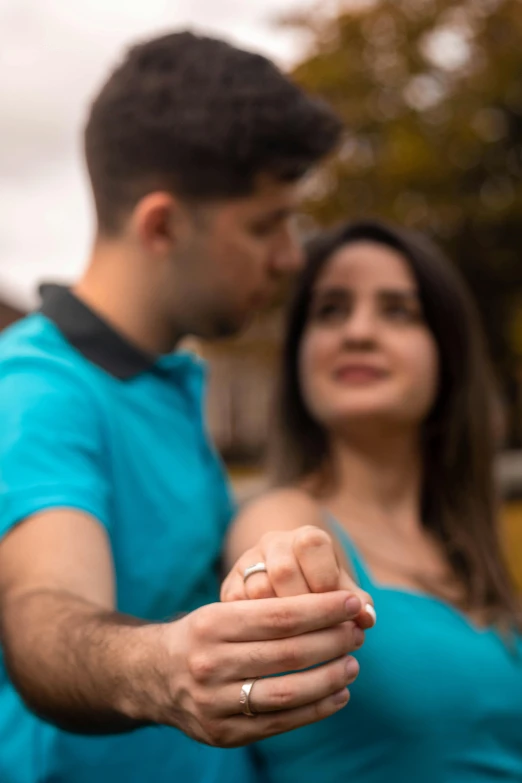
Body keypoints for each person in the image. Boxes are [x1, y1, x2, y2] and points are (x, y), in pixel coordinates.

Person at [0, 32, 374, 783]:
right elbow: (43, 613)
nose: (291, 255)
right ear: (163, 225)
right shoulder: (37, 391)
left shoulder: (160, 376)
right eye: (266, 224)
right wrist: (163, 665)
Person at [222, 219, 522, 782]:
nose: (358, 332)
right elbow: (275, 546)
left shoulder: (466, 553)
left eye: (398, 311)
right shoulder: (288, 514)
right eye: (331, 310)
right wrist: (274, 571)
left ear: (447, 352)